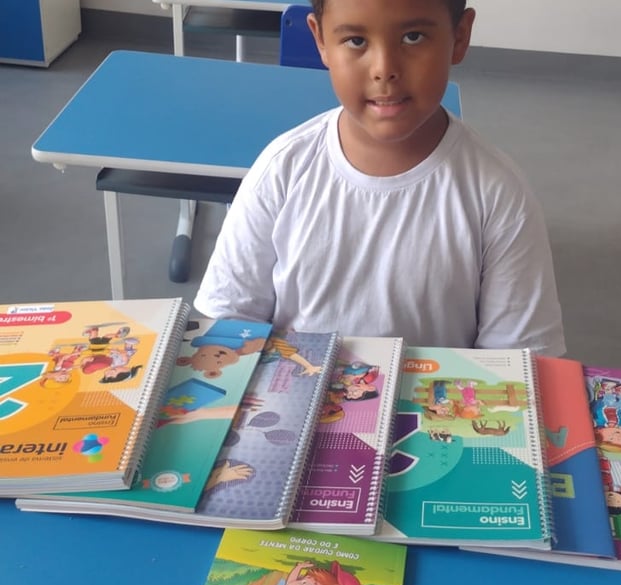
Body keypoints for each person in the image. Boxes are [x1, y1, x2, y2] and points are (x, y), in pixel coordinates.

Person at [194, 0, 565, 355]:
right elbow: (230, 320)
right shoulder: (282, 170)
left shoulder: (498, 194)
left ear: (459, 36)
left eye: (413, 37)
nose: (384, 69)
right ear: (320, 40)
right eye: (356, 40)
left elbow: (516, 361)